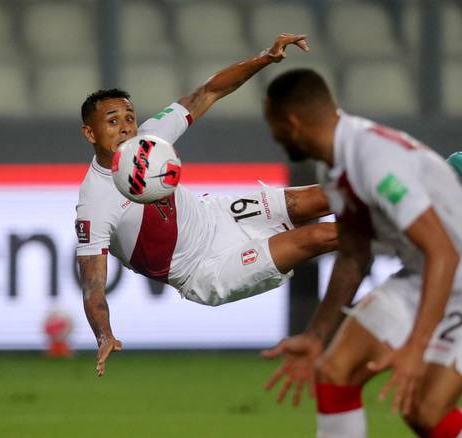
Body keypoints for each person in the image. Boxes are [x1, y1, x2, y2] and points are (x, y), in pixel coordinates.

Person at [262, 69, 462, 438]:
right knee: (335, 372)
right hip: (424, 272)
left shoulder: (373, 161)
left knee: (424, 411)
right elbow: (353, 256)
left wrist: (416, 348)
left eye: (271, 123)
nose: (272, 134)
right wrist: (317, 335)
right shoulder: (337, 162)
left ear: (291, 123)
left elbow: (443, 254)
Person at [75, 34, 340, 377]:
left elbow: (209, 91)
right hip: (205, 268)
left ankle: (404, 203)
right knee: (314, 238)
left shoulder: (151, 137)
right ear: (90, 133)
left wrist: (265, 58)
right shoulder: (93, 203)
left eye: (129, 117)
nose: (126, 128)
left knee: (325, 196)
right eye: (113, 121)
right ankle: (405, 233)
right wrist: (104, 334)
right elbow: (93, 286)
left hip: (220, 213)